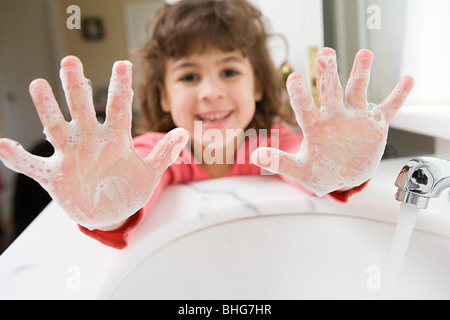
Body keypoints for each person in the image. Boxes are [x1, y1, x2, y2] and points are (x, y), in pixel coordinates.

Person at [0, 0, 414, 249]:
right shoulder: (150, 153)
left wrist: (340, 175)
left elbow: (311, 169)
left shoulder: (274, 142)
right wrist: (108, 212)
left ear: (257, 86)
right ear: (163, 95)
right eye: (189, 76)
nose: (211, 91)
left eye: (230, 72)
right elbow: (129, 193)